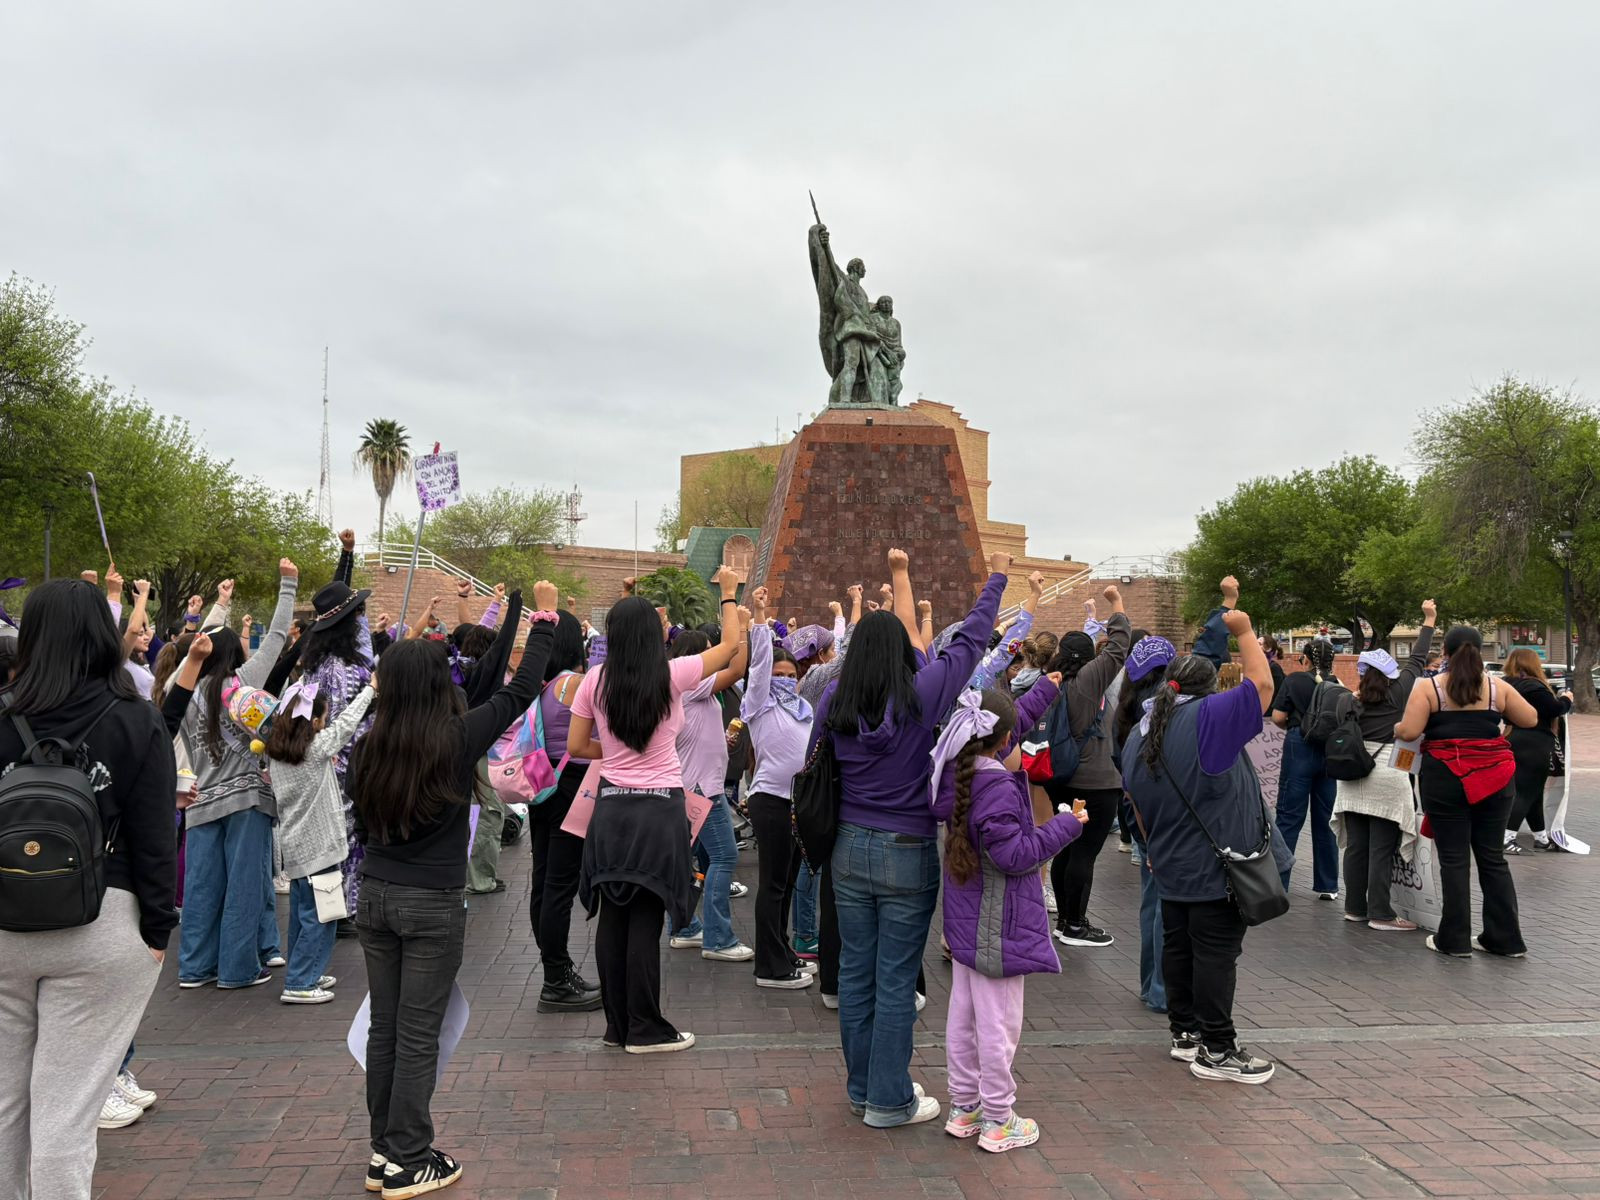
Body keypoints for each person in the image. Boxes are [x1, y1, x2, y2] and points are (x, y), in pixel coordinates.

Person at [348, 584, 555, 1197]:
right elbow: (520, 691)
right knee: (416, 1031)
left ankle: (386, 1149)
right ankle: (410, 1156)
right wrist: (542, 619)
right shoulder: (454, 737)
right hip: (432, 904)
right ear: (438, 685)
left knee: (386, 1026)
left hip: (376, 897)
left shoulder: (368, 745)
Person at [809, 549, 1011, 1128]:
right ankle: (889, 1100)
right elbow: (970, 642)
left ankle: (862, 1088)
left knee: (855, 972)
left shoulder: (832, 701)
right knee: (896, 977)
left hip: (848, 847)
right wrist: (995, 577)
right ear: (901, 652)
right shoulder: (921, 695)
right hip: (907, 851)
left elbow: (813, 764)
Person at [0, 578, 177, 1195]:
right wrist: (156, 931)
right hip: (104, 925)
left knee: (4, 1111)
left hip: (3, 925)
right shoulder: (135, 716)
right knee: (67, 1114)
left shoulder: (3, 712)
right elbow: (157, 837)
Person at [566, 568, 746, 1053]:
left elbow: (578, 745)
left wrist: (620, 754)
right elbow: (730, 648)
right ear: (653, 636)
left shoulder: (593, 682)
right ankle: (645, 1029)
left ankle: (618, 1027)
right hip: (658, 810)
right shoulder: (672, 674)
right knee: (645, 919)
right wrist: (728, 594)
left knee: (612, 919)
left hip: (610, 811)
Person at [1122, 608, 1289, 1085]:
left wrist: (1150, 846)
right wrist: (1244, 631)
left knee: (1178, 946)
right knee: (1215, 954)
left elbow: (1134, 803)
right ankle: (1217, 1049)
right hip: (1215, 866)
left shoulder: (1141, 734)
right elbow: (1260, 687)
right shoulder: (1210, 717)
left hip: (1169, 861)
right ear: (1208, 685)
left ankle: (1185, 1034)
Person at [933, 687, 1083, 1153]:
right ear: (1002, 742)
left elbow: (1002, 727)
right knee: (999, 1023)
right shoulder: (996, 785)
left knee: (964, 1015)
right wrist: (1066, 825)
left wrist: (1045, 690)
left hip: (966, 920)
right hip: (998, 922)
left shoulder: (956, 775)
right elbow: (1015, 855)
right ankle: (999, 1118)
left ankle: (965, 1107)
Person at [175, 559, 298, 989]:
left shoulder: (183, 691)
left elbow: (193, 647)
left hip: (201, 798)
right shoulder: (241, 684)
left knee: (202, 888)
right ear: (232, 655)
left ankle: (193, 967)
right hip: (246, 799)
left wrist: (218, 610)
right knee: (245, 886)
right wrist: (288, 585)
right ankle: (238, 969)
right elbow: (278, 638)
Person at [1394, 625, 1538, 958]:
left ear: (1445, 652)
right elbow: (1530, 718)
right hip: (1495, 777)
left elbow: (1410, 730)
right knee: (1492, 859)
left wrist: (1399, 728)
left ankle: (1455, 940)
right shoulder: (1495, 687)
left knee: (1454, 860)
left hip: (1445, 777)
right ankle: (1505, 940)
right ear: (1479, 651)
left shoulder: (1430, 688)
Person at [265, 677, 375, 1004]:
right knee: (322, 916)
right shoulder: (314, 750)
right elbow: (346, 726)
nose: (326, 723)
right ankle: (301, 982)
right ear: (313, 722)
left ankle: (308, 969)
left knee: (304, 916)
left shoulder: (277, 754)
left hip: (297, 851)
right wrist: (370, 689)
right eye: (323, 718)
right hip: (321, 851)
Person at [1330, 602, 1436, 931]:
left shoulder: (1346, 701)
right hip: (1388, 776)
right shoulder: (1399, 694)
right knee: (1381, 848)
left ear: (1360, 672)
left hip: (1352, 778)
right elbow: (1418, 659)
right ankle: (1381, 914)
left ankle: (1354, 908)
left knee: (1356, 847)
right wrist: (1428, 620)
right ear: (1390, 673)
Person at [1044, 584, 1132, 948]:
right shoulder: (1087, 682)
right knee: (1084, 852)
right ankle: (1076, 924)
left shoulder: (1050, 683)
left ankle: (1064, 920)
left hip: (1060, 777)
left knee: (1066, 848)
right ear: (1086, 658)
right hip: (1094, 781)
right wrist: (1116, 604)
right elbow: (1119, 645)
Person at [526, 610, 603, 1013]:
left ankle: (555, 969)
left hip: (543, 788)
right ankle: (556, 980)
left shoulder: (542, 686)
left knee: (544, 883)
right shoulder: (575, 684)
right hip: (571, 786)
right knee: (560, 886)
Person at [665, 621, 753, 967]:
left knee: (691, 862)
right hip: (703, 788)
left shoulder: (685, 690)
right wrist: (742, 628)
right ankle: (718, 937)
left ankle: (684, 927)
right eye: (706, 649)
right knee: (724, 857)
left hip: (694, 783)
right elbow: (736, 668)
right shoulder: (691, 685)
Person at [743, 624, 815, 987]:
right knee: (772, 884)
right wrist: (758, 619)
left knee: (787, 882)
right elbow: (757, 668)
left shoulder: (803, 709)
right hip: (770, 799)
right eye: (778, 675)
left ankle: (782, 950)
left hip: (797, 803)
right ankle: (769, 966)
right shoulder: (758, 704)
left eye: (790, 675)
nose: (785, 680)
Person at [1113, 636, 1180, 1015]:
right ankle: (1161, 989)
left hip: (1135, 811)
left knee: (1150, 899)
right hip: (1162, 815)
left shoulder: (1124, 708)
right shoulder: (1163, 709)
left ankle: (1149, 983)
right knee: (1165, 904)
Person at [1271, 637, 1341, 899]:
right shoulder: (1338, 684)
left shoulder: (1293, 680)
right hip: (1328, 752)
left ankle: (1280, 882)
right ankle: (1328, 885)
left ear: (1306, 659)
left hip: (1298, 746)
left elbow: (1278, 717)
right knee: (1325, 819)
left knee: (1289, 816)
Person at [1501, 648, 1573, 853]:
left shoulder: (1507, 682)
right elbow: (1554, 709)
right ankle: (1507, 838)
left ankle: (1540, 837)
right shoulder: (1533, 686)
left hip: (1513, 737)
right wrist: (1567, 699)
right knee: (1525, 792)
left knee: (1533, 792)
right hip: (1535, 741)